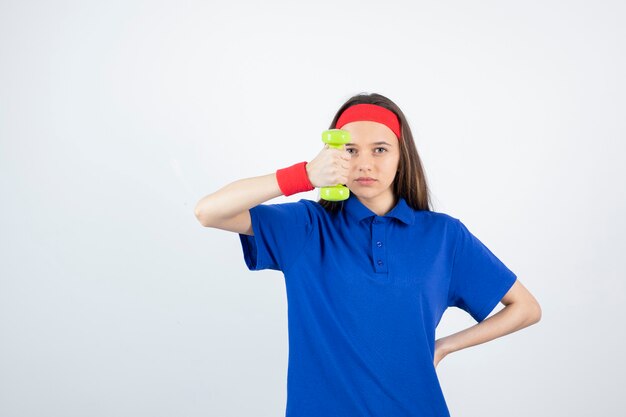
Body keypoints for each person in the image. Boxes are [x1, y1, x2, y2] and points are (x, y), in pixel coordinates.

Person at [194, 92, 541, 417]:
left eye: (379, 150)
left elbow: (526, 308)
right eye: (350, 150)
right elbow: (209, 212)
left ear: (401, 155)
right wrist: (302, 175)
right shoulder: (307, 227)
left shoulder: (444, 236)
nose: (364, 163)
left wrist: (443, 346)